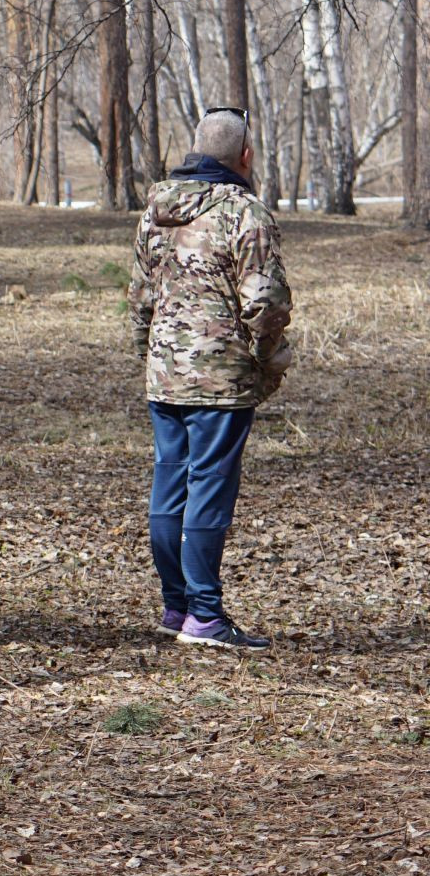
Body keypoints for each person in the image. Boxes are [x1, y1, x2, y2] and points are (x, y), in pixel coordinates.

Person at [126, 108, 292, 650]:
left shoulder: (155, 208)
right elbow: (264, 301)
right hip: (221, 379)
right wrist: (269, 362)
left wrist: (148, 355)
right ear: (245, 156)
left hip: (164, 373)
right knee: (208, 493)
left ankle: (176, 607)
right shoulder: (245, 212)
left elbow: (140, 298)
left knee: (170, 484)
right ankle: (204, 615)